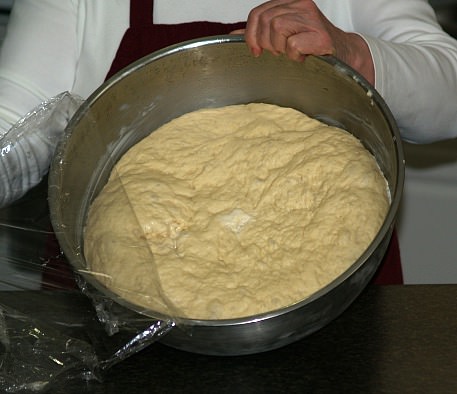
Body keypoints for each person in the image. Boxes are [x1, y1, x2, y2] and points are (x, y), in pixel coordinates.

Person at [1, 0, 457, 286]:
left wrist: (354, 52)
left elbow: (449, 92)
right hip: (118, 314)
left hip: (337, 313)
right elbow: (12, 128)